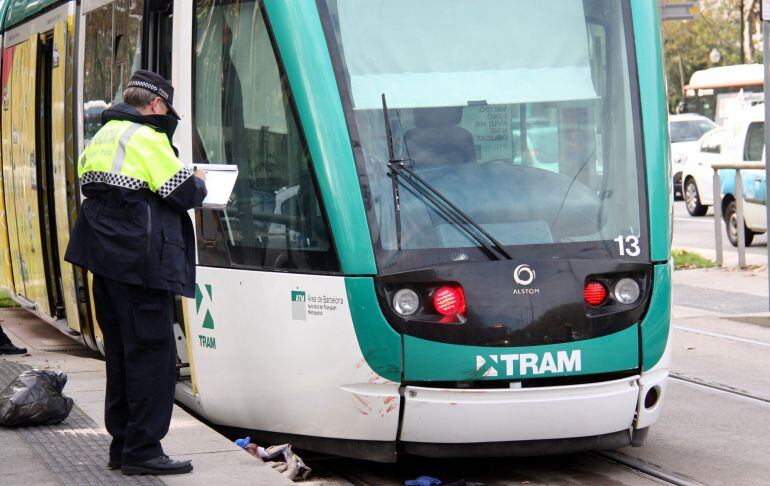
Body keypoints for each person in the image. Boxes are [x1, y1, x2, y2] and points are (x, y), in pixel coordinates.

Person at [64, 70, 207, 476]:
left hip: (106, 264)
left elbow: (99, 189)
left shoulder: (104, 135)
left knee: (122, 357)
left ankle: (123, 445)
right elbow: (184, 192)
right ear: (157, 104)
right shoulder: (147, 138)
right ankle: (143, 450)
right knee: (152, 358)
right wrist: (198, 179)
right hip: (140, 267)